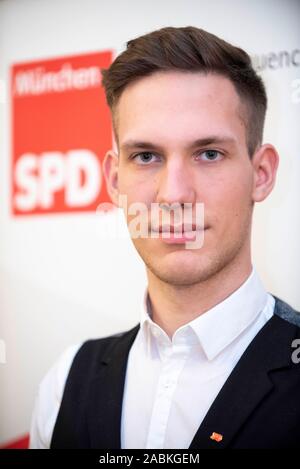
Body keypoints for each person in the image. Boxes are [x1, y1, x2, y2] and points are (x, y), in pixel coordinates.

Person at [29, 26, 300, 449]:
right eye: (147, 156)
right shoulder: (65, 382)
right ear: (115, 180)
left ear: (261, 175)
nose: (173, 194)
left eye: (209, 154)